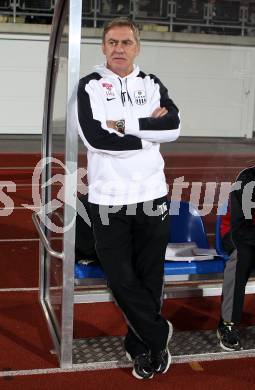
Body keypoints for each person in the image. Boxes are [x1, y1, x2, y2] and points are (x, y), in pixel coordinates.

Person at [77, 17, 180, 379]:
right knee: (120, 277)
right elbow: (96, 139)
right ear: (103, 47)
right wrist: (148, 133)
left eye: (126, 42)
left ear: (137, 47)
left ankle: (143, 351)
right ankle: (156, 332)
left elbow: (174, 127)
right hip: (108, 199)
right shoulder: (89, 86)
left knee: (150, 276)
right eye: (112, 42)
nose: (119, 48)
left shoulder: (152, 84)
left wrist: (122, 123)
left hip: (153, 195)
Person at [217, 166, 255, 351]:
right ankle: (228, 323)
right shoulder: (247, 178)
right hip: (237, 234)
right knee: (241, 257)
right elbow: (240, 225)